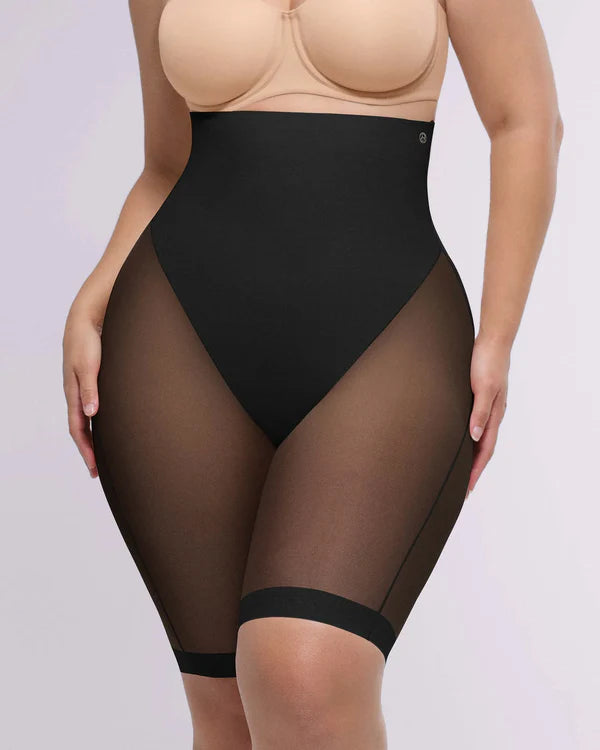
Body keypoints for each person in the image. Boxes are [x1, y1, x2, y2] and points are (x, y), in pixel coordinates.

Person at [62, 0, 562, 747]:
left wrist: (498, 333)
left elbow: (526, 120)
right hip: (178, 336)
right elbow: (166, 163)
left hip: (388, 333)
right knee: (224, 711)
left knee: (307, 676)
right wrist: (93, 298)